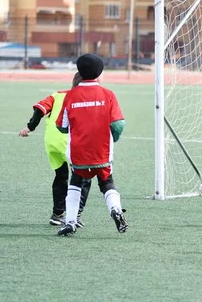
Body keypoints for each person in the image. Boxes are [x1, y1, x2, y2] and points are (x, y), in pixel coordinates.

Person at [55, 53, 128, 235]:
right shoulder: (108, 94)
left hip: (79, 152)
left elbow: (61, 127)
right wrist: (113, 138)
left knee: (76, 183)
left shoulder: (70, 96)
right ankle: (116, 210)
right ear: (99, 73)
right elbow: (118, 124)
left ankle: (70, 222)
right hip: (102, 151)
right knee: (107, 182)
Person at [18, 72, 92, 227]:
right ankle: (75, 214)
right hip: (70, 142)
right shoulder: (85, 99)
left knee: (61, 176)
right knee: (84, 177)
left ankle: (57, 214)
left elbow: (40, 108)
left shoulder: (57, 95)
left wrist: (30, 127)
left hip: (52, 142)